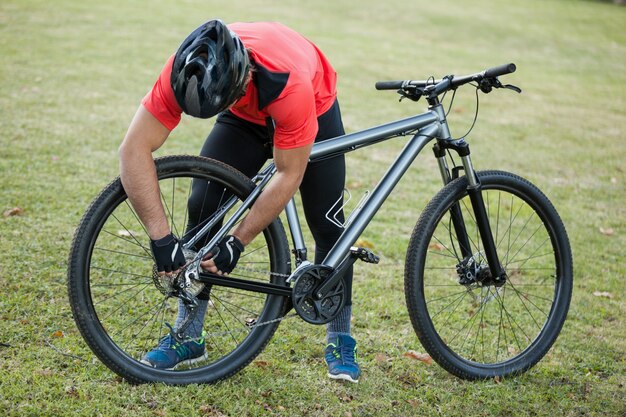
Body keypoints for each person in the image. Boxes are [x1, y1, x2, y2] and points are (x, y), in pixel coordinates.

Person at [118, 20, 360, 383]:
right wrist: (161, 238)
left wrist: (237, 241)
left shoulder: (287, 83)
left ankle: (340, 334)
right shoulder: (185, 67)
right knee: (203, 205)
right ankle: (189, 334)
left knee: (327, 222)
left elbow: (288, 173)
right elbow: (133, 150)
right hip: (243, 116)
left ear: (244, 78)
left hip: (311, 104)